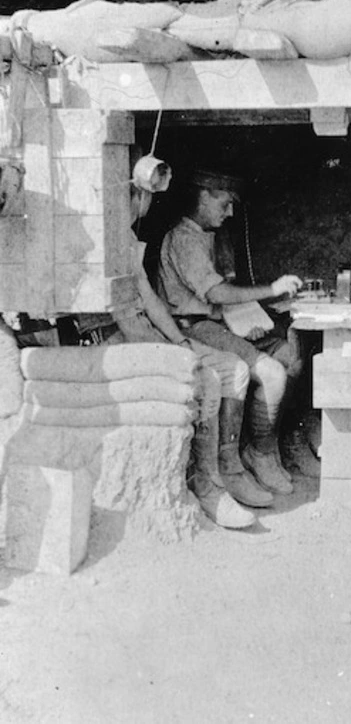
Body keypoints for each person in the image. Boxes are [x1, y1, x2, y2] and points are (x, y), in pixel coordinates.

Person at [76, 152, 266, 530]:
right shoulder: (99, 238)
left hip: (146, 331)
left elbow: (147, 297)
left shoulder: (127, 236)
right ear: (135, 194)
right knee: (206, 381)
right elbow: (121, 317)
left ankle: (223, 470)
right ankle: (204, 483)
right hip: (111, 338)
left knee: (232, 372)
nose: (147, 202)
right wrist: (166, 352)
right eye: (144, 194)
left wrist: (178, 341)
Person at [157, 167, 303, 497]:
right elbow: (217, 294)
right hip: (196, 327)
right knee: (272, 373)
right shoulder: (183, 239)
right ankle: (246, 457)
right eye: (224, 203)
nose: (230, 212)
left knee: (290, 354)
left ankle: (271, 444)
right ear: (203, 196)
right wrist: (273, 289)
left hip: (221, 322)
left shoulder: (212, 235)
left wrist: (243, 321)